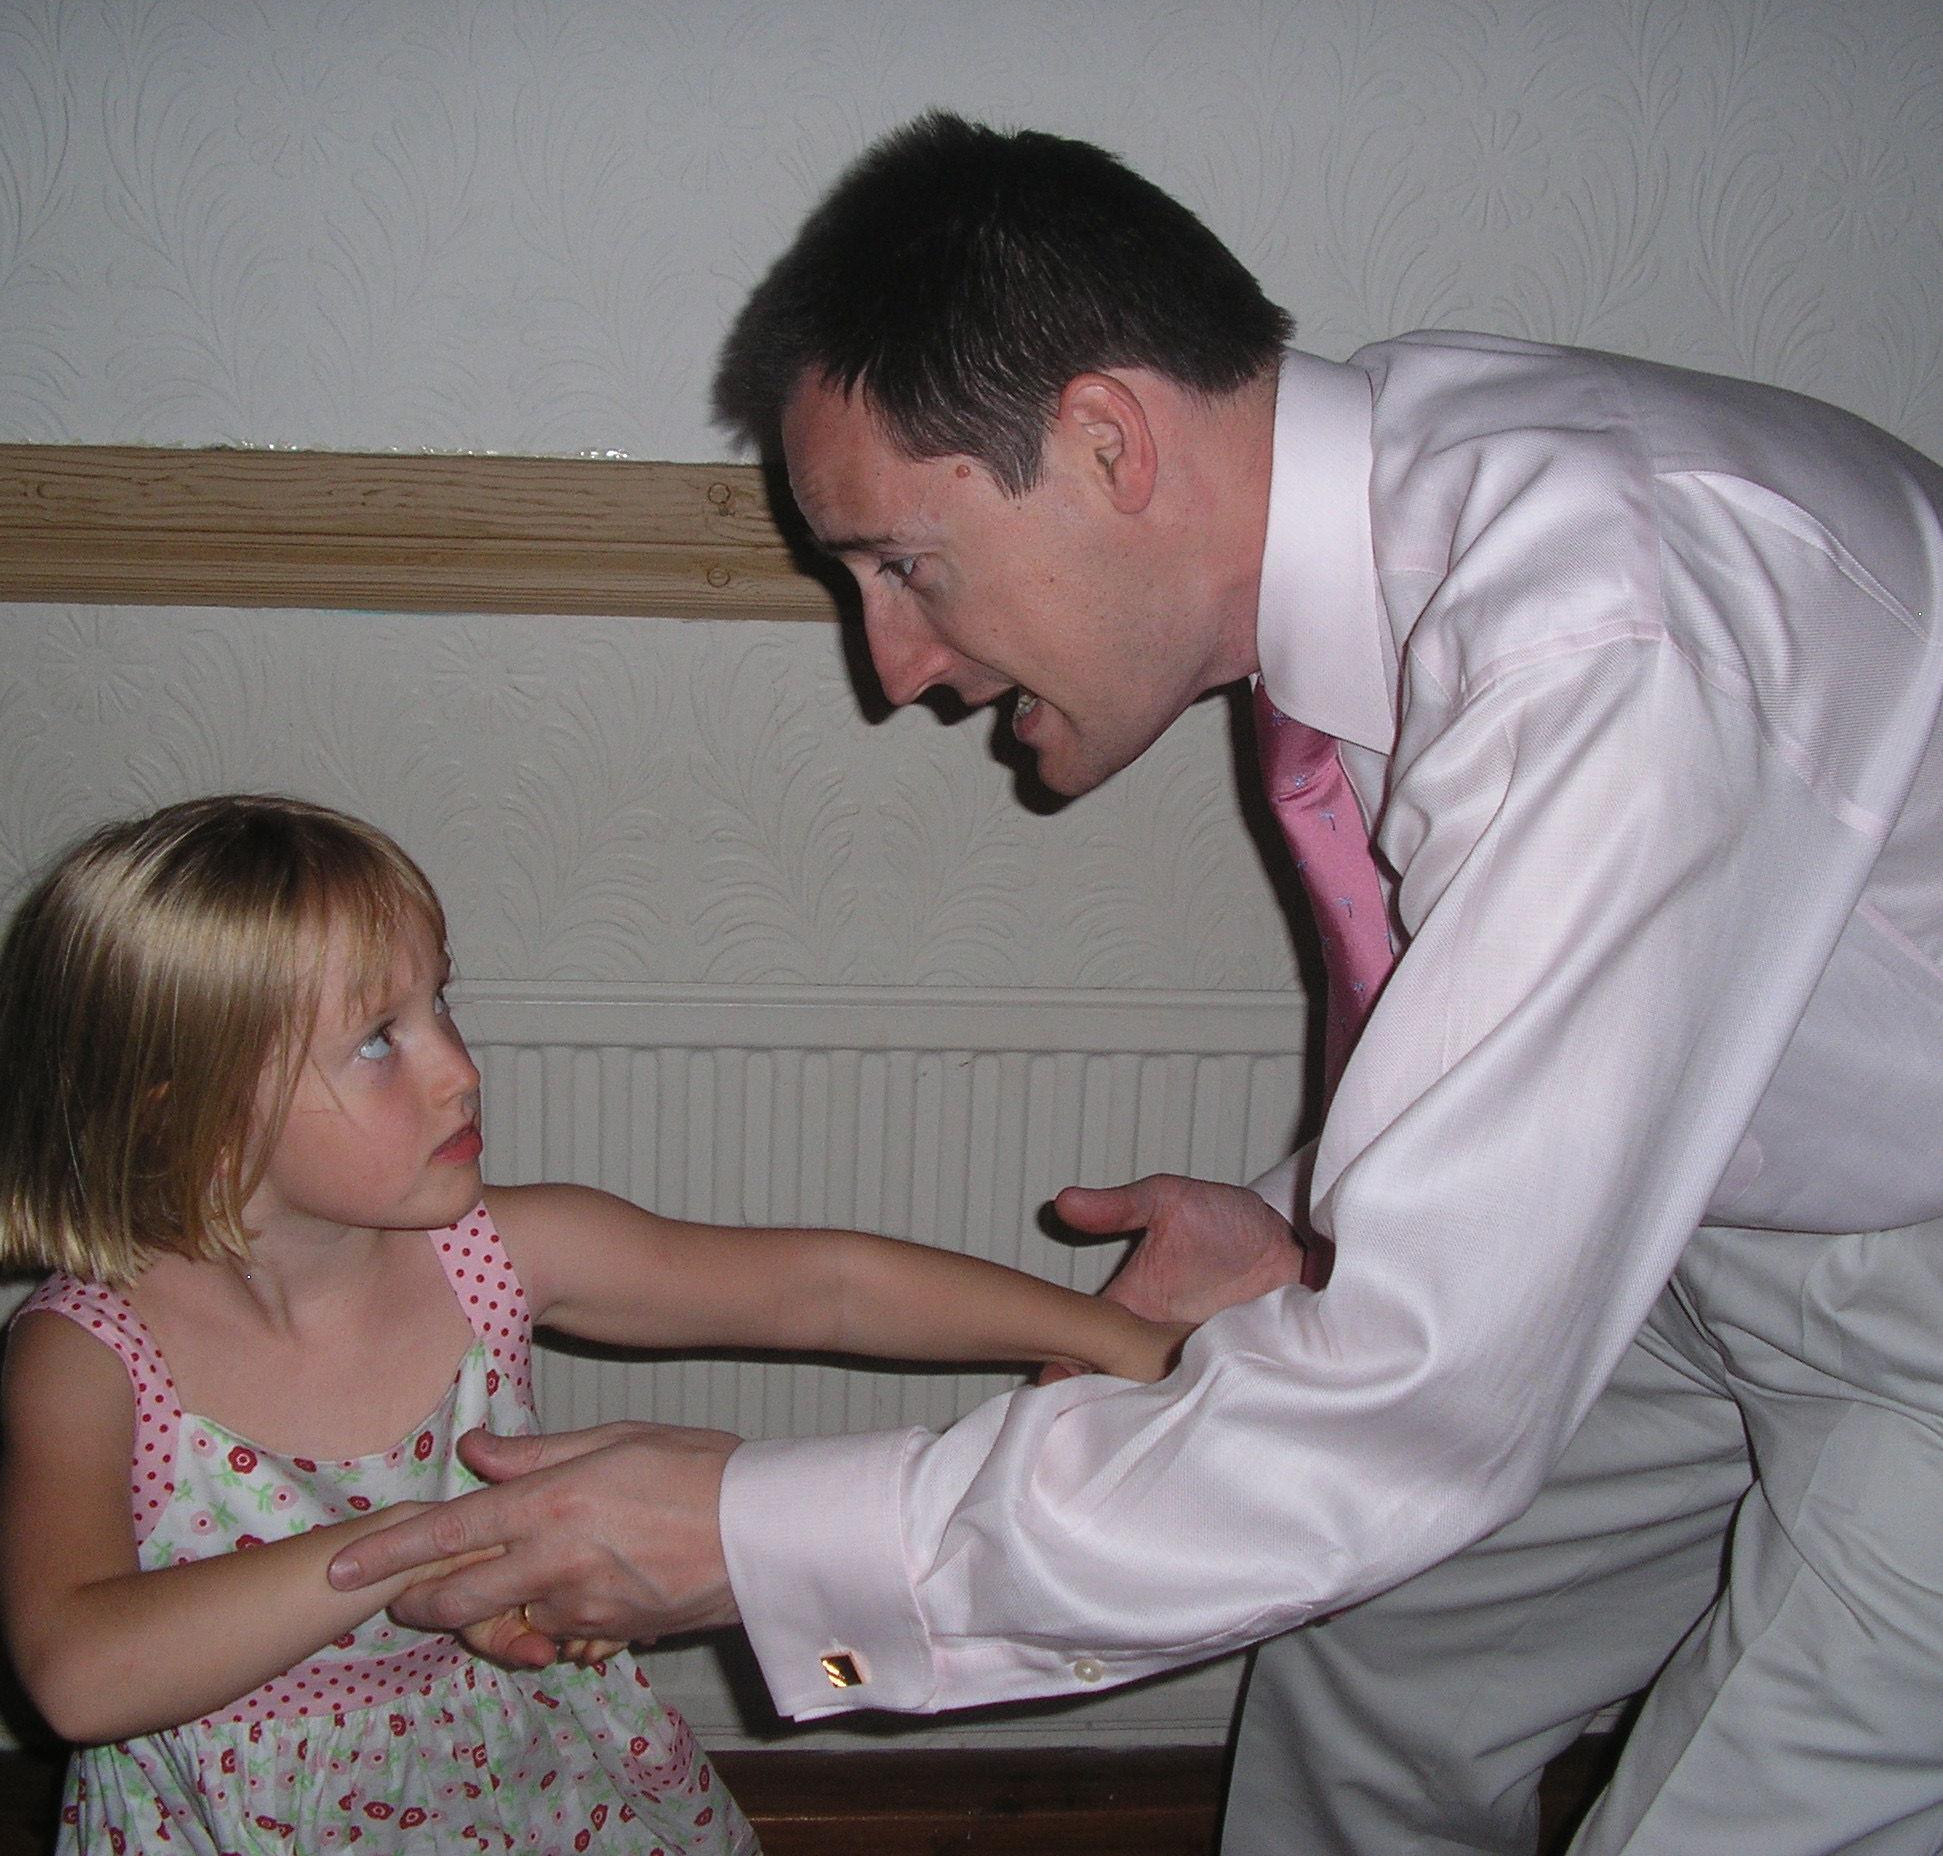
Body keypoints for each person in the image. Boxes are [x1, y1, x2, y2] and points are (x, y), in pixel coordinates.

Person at [330, 114, 1943, 1854]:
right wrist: (1306, 1217)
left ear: (1105, 439)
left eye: (900, 563)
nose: (891, 666)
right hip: (1711, 1234)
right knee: (1370, 1676)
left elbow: (1411, 1405)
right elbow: (1576, 1058)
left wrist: (743, 1535)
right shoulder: (1394, 508)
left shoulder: (1601, 642)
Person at [0, 792, 1188, 1854]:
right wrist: (453, 1542)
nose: (459, 1068)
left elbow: (821, 1285)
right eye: (378, 1040)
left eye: (440, 1002)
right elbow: (80, 1675)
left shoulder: (497, 1255)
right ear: (191, 1114)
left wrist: (1107, 1338)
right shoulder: (90, 1357)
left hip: (528, 1772)